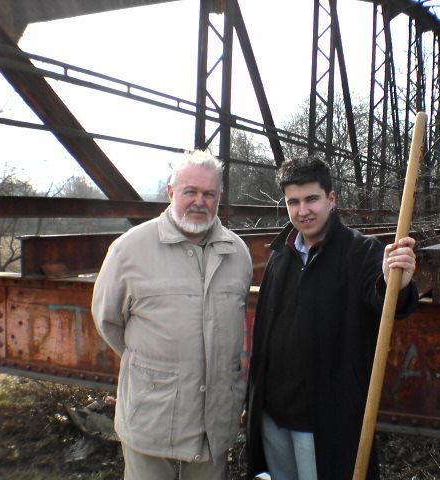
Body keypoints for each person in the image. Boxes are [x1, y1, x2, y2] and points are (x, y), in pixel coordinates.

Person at [245, 157, 418, 480]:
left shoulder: (361, 252)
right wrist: (253, 400)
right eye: (293, 202)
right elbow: (264, 332)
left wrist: (395, 282)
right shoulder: (281, 254)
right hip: (272, 415)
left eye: (311, 199)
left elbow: (389, 304)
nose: (303, 211)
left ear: (331, 199)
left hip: (323, 421)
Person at [92, 150, 252, 480]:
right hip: (152, 416)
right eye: (189, 191)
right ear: (170, 192)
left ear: (219, 197)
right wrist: (156, 368)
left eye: (209, 194)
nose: (199, 202)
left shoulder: (237, 253)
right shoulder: (129, 250)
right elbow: (108, 321)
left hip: (214, 422)